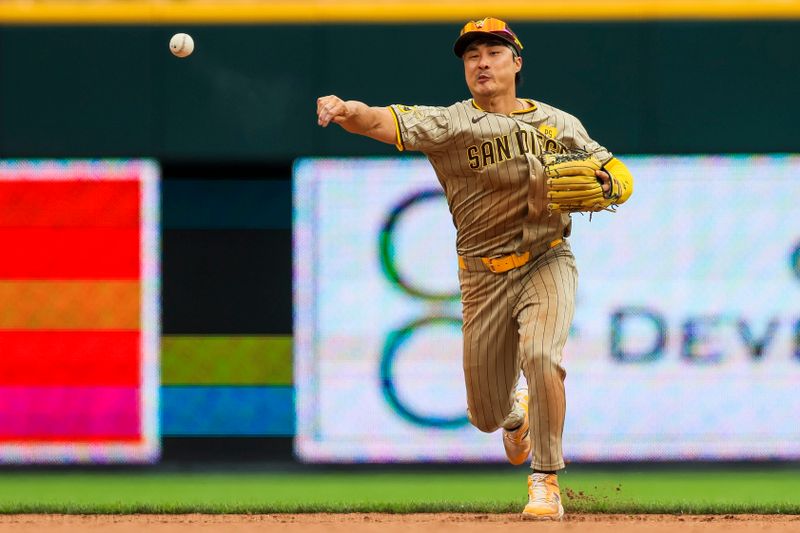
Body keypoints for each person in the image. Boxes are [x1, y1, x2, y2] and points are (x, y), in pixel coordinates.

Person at [316, 17, 633, 520]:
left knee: (542, 356)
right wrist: (344, 109)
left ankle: (545, 481)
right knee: (486, 415)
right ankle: (515, 417)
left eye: (493, 53)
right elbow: (379, 121)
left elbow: (614, 170)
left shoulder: (561, 124)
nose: (482, 62)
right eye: (472, 56)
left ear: (516, 63)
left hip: (548, 257)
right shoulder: (451, 124)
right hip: (483, 275)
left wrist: (613, 184)